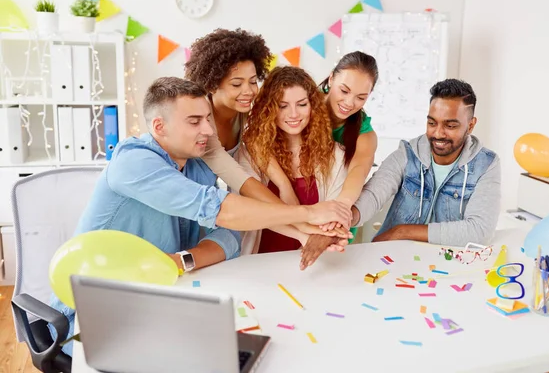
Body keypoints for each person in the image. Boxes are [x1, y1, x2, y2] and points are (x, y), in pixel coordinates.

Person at [49, 77, 352, 355]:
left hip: (162, 301)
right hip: (94, 315)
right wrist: (309, 213)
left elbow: (230, 233)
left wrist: (184, 260)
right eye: (194, 121)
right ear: (159, 127)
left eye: (207, 119)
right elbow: (221, 210)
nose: (208, 130)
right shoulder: (133, 163)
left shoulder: (196, 165)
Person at [184, 28, 351, 244]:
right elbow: (241, 180)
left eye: (253, 81)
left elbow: (254, 137)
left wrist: (284, 184)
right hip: (186, 198)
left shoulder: (241, 110)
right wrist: (301, 221)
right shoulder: (202, 122)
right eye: (237, 84)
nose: (249, 91)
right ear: (212, 83)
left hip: (208, 202)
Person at [349, 78, 501, 246]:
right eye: (431, 123)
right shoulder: (408, 153)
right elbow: (373, 193)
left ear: (470, 125)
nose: (438, 133)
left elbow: (479, 231)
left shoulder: (486, 165)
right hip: (396, 257)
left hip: (446, 263)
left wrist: (402, 231)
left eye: (450, 126)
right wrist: (347, 218)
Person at [237, 66, 348, 257]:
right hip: (257, 263)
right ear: (269, 109)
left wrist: (325, 235)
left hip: (311, 261)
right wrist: (302, 232)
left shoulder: (336, 155)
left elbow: (333, 216)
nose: (294, 114)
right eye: (283, 106)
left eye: (302, 104)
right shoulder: (249, 154)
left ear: (313, 106)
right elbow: (252, 213)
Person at [267, 51, 379, 240]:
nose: (349, 103)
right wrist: (285, 186)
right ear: (332, 78)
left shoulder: (365, 135)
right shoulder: (301, 105)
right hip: (286, 211)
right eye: (344, 91)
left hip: (330, 220)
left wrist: (337, 214)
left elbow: (357, 175)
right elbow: (259, 141)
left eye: (361, 97)